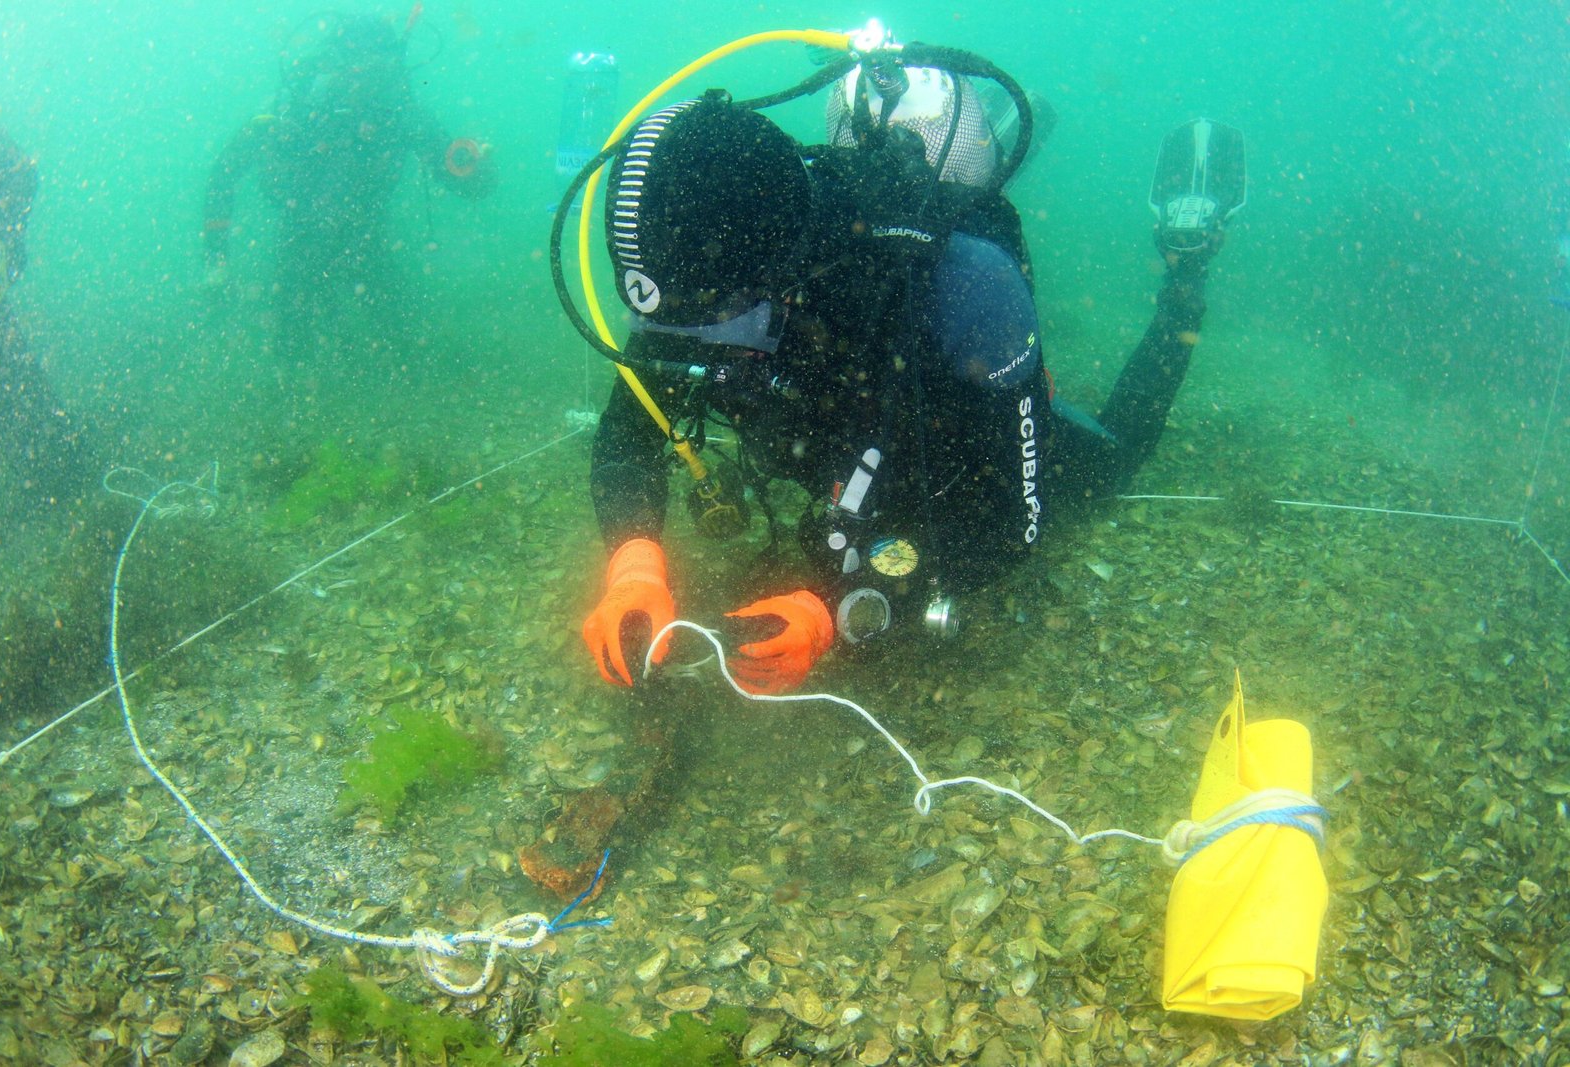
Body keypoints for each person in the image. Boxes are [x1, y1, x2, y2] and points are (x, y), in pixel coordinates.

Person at [578, 71, 1226, 698]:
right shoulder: (703, 276)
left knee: (1112, 459)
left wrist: (832, 606)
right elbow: (628, 430)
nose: (698, 348)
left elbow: (1007, 528)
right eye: (666, 324)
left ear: (789, 269)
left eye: (722, 320)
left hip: (956, 421)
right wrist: (633, 566)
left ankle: (1187, 270)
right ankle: (979, 134)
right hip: (850, 426)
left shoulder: (969, 288)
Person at [201, 13, 496, 368]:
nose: (366, 77)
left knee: (406, 342)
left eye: (379, 68)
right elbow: (224, 173)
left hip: (364, 238)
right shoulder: (295, 110)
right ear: (332, 64)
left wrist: (478, 169)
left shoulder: (400, 116)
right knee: (292, 352)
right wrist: (216, 262)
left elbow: (462, 178)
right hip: (302, 239)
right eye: (357, 66)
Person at [0, 113, 99, 524]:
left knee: (7, 371)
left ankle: (67, 472)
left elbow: (22, 172)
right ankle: (44, 479)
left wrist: (1, 229)